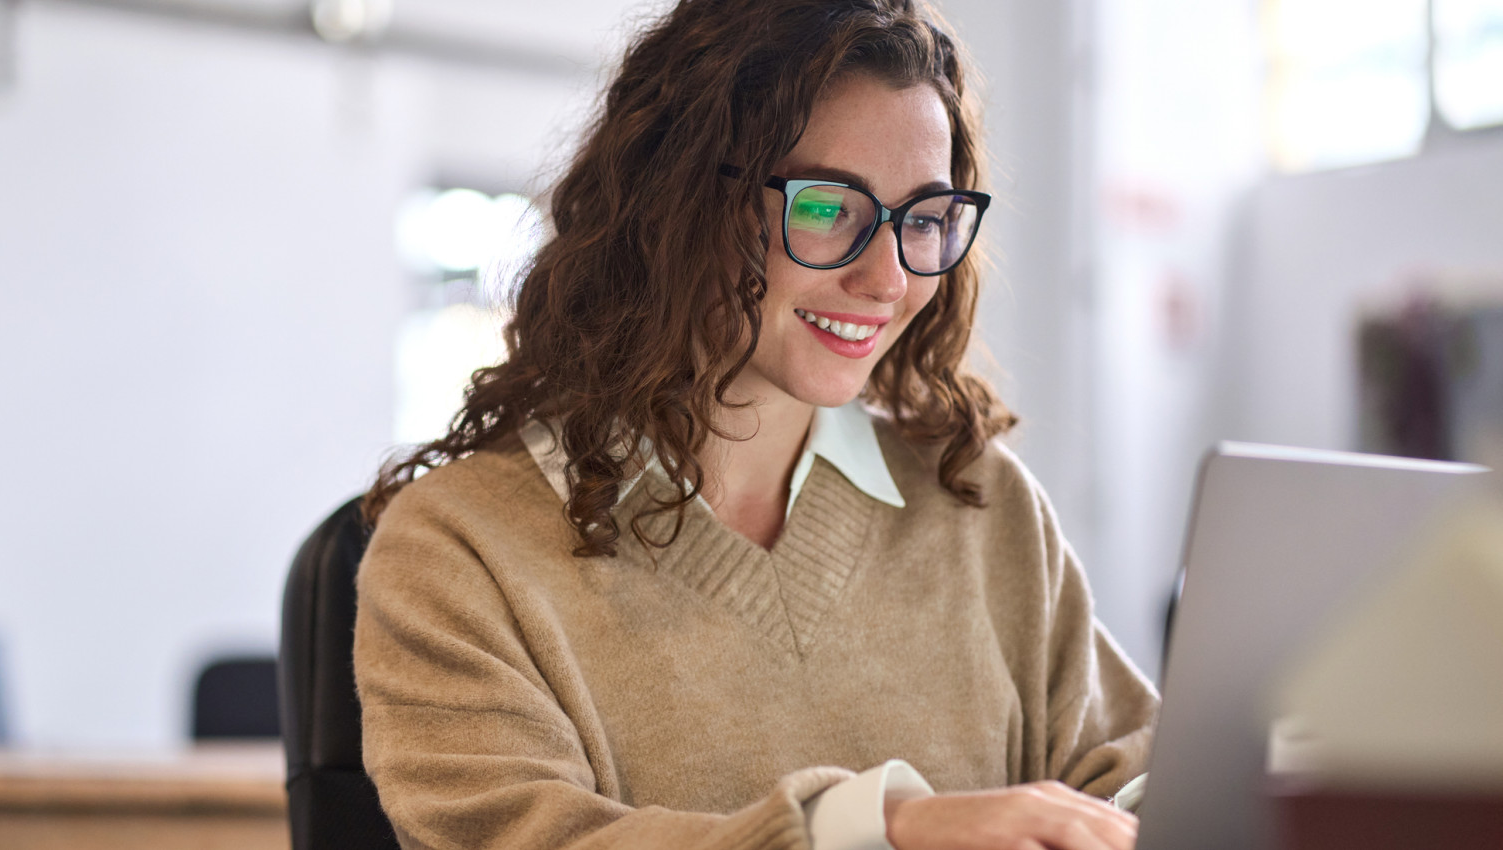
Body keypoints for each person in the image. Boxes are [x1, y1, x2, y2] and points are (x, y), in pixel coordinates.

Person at [354, 1, 1159, 848]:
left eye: (924, 219)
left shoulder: (980, 504)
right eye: (824, 207)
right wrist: (879, 833)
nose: (887, 278)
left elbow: (1131, 781)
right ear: (677, 204)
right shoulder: (458, 550)